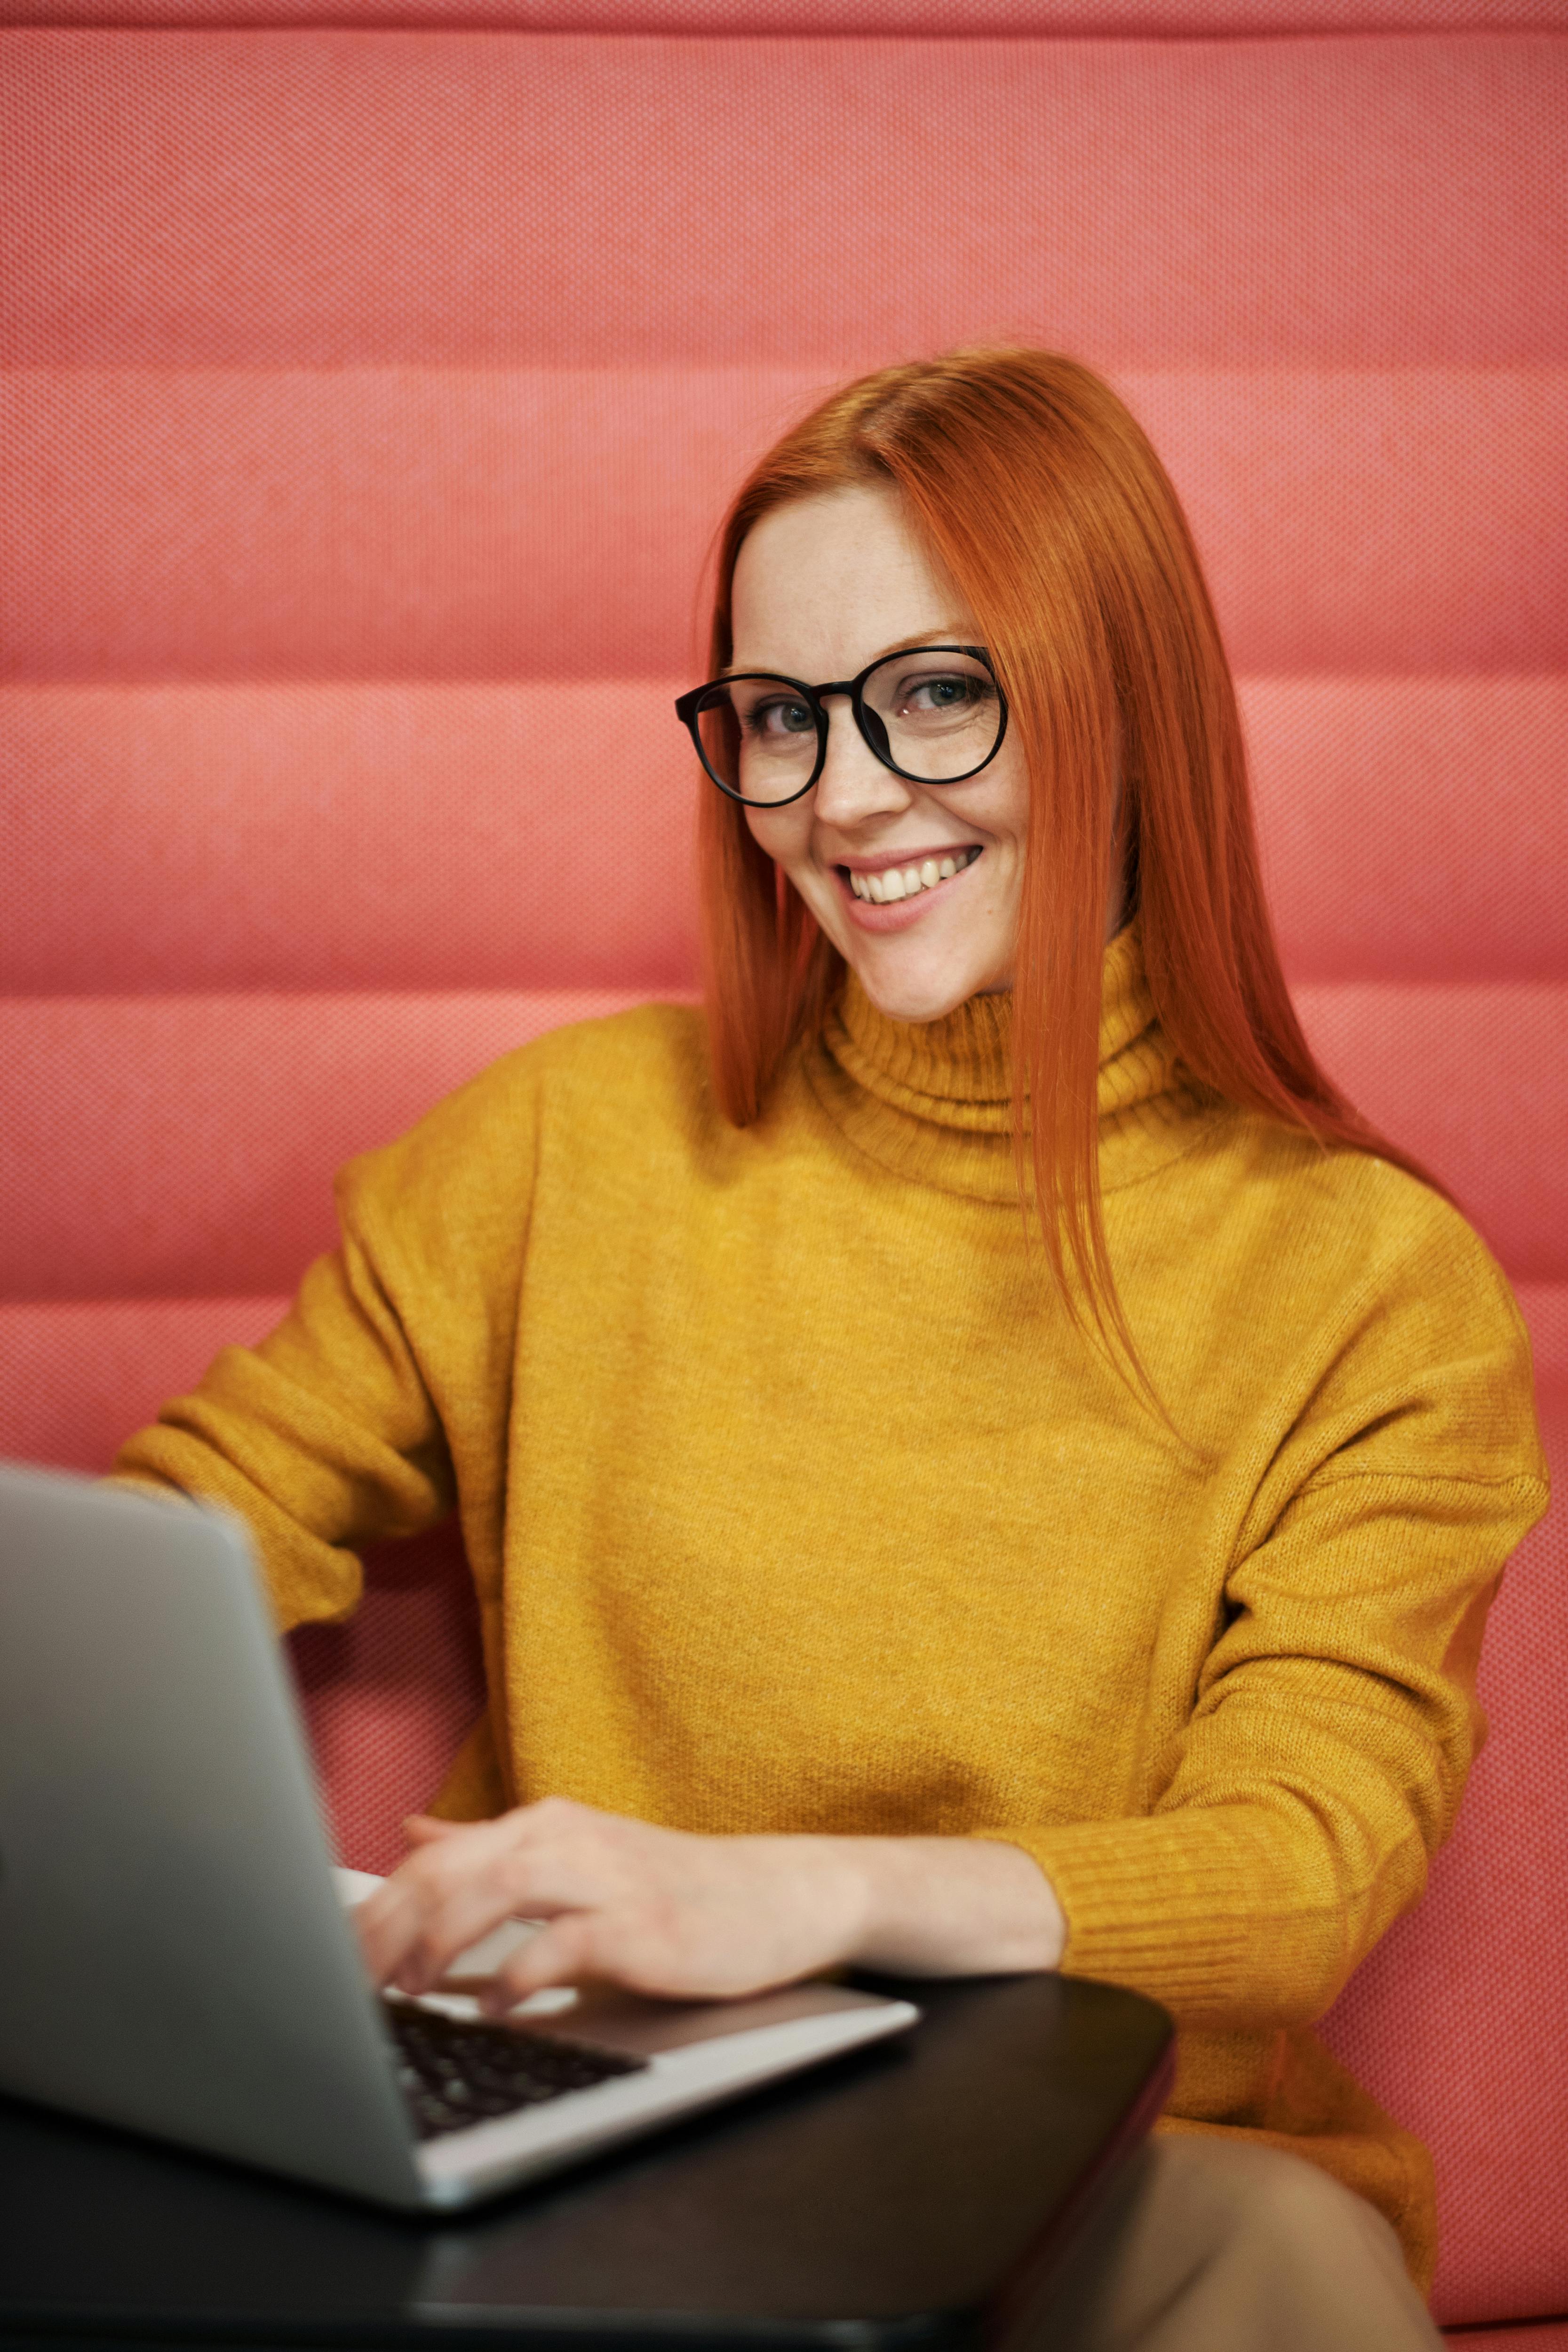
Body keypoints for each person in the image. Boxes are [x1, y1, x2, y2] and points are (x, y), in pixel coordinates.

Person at [112, 350, 1546, 2350]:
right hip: (607, 2146)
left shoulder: (1370, 1285)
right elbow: (186, 1529)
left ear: (1119, 698)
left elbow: (1301, 1860)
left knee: (1282, 2263)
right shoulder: (557, 1148)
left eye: (937, 691)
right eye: (779, 716)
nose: (842, 794)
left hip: (1104, 2186)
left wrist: (812, 1896)